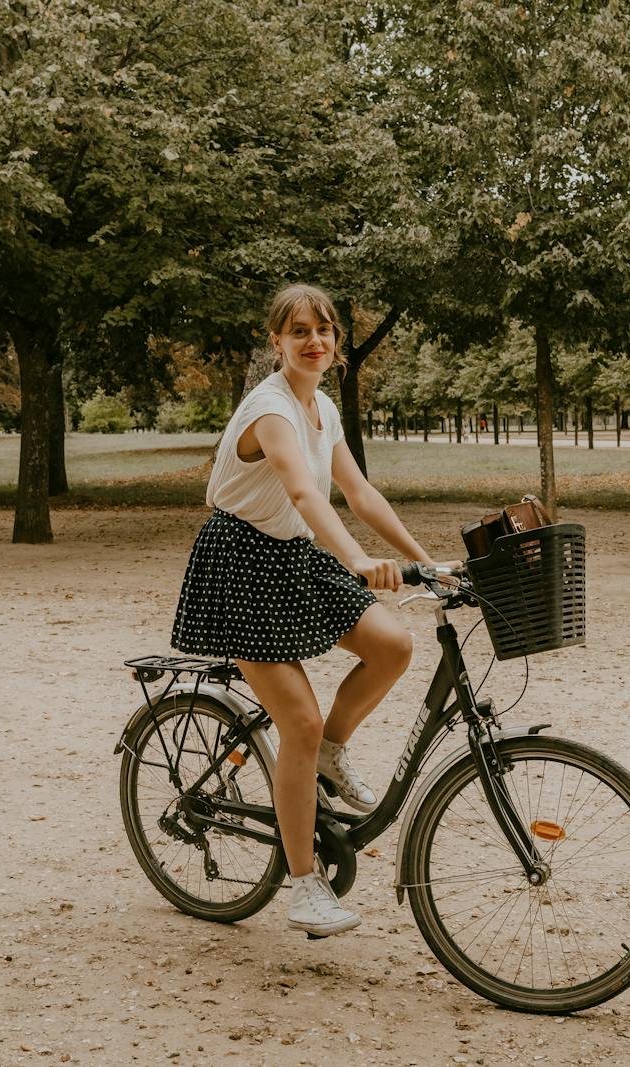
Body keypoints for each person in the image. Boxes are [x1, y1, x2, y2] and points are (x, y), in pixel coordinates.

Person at [171, 283, 441, 938]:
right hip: (241, 560)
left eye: (324, 330)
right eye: (299, 331)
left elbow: (358, 491)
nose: (315, 341)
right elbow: (300, 488)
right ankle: (302, 884)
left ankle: (330, 754)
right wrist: (355, 558)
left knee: (393, 645)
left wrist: (423, 558)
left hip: (293, 553)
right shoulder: (271, 410)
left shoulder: (322, 406)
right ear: (276, 341)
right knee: (299, 719)